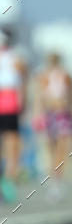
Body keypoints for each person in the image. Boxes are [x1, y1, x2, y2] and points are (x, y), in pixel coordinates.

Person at [34, 53, 72, 190]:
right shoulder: (44, 76)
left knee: (62, 147)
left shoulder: (65, 76)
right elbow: (40, 97)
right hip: (51, 114)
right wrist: (38, 115)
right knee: (52, 148)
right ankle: (54, 176)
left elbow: (71, 97)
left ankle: (58, 176)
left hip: (62, 114)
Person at [0, 29, 27, 203]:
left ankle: (9, 178)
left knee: (11, 142)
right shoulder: (16, 58)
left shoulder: (15, 58)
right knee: (11, 143)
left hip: (9, 102)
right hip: (9, 101)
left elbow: (21, 81)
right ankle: (9, 177)